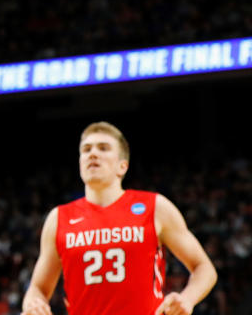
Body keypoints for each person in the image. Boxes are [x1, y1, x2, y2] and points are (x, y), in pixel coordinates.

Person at [22, 121, 218, 315]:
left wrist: (187, 299)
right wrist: (33, 304)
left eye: (103, 148)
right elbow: (38, 288)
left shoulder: (155, 207)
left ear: (122, 166)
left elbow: (204, 268)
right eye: (86, 149)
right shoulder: (59, 218)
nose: (93, 153)